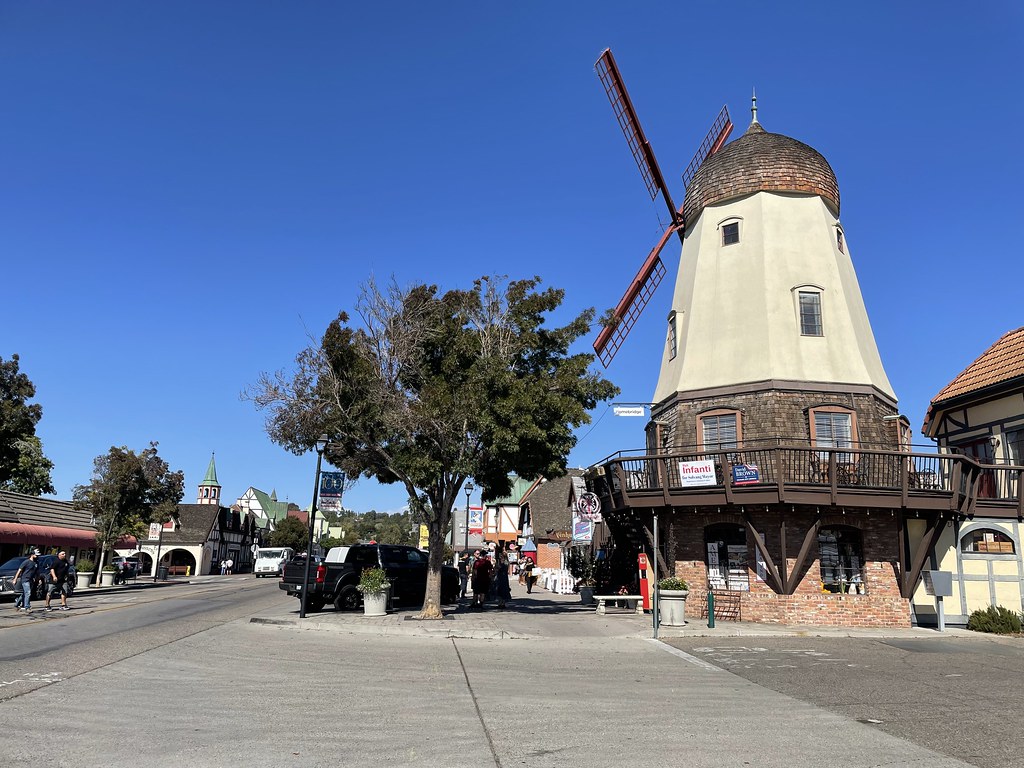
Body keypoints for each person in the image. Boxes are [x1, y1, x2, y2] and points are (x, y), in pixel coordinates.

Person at [491, 543, 512, 610]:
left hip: (502, 577)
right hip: (503, 577)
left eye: (502, 557)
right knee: (502, 590)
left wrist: (496, 567)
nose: (501, 558)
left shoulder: (503, 563)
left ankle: (501, 603)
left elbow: (498, 569)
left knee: (501, 590)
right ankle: (501, 603)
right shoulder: (505, 563)